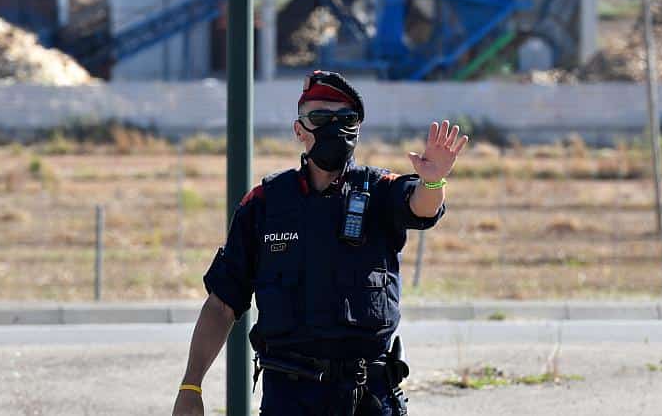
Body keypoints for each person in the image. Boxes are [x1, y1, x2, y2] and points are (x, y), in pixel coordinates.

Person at [171, 70, 468, 416]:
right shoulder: (265, 204)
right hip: (290, 398)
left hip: (367, 398)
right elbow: (222, 304)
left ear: (357, 128)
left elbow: (421, 206)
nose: (333, 127)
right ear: (299, 130)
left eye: (345, 118)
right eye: (320, 117)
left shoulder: (379, 190)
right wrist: (191, 385)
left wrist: (433, 182)